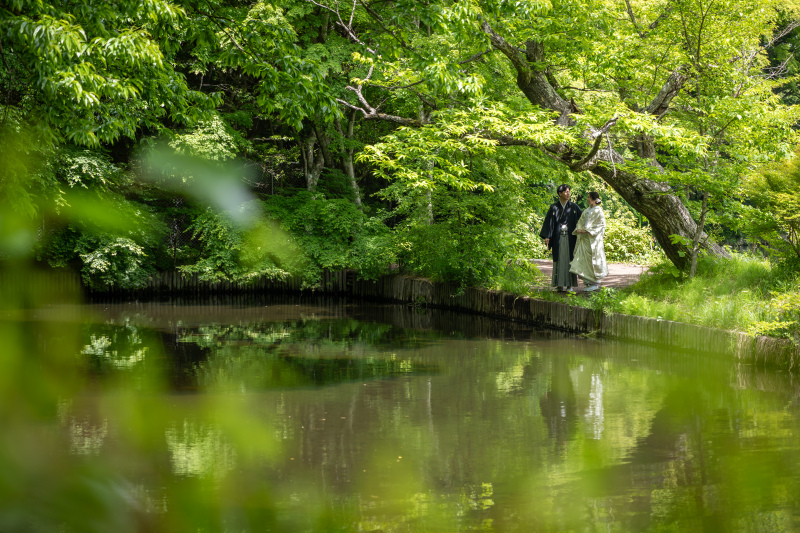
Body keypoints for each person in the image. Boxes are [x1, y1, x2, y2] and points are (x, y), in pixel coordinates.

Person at [539, 184, 582, 291]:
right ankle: (559, 284)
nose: (568, 193)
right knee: (559, 259)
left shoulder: (573, 206)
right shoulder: (554, 207)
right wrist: (547, 236)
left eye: (569, 191)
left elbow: (582, 218)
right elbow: (549, 223)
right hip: (558, 237)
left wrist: (580, 229)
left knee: (569, 259)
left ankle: (569, 285)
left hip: (570, 237)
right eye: (566, 192)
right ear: (560, 193)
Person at [569, 191, 608, 292]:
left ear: (594, 200)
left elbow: (601, 225)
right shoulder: (586, 210)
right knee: (582, 260)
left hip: (593, 239)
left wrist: (587, 231)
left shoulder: (598, 210)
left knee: (592, 260)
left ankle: (594, 282)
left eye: (589, 197)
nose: (587, 199)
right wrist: (579, 228)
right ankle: (587, 282)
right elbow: (580, 222)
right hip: (584, 239)